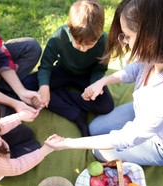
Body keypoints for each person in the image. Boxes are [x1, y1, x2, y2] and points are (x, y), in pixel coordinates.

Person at [44, 0, 163, 166]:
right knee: (94, 129)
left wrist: (67, 143)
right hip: (144, 111)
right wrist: (102, 82)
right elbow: (136, 68)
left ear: (153, 37)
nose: (125, 42)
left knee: (99, 151)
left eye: (127, 36)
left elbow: (126, 138)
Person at [22, 0, 114, 136]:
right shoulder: (60, 35)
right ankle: (76, 114)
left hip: (87, 77)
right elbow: (46, 64)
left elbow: (99, 69)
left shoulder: (104, 41)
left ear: (100, 33)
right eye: (79, 44)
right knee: (26, 85)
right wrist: (44, 86)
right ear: (69, 28)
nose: (84, 50)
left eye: (90, 45)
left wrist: (95, 84)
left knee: (106, 105)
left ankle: (62, 94)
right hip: (63, 71)